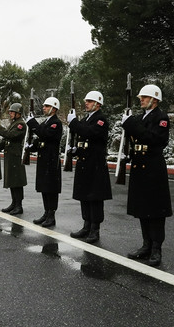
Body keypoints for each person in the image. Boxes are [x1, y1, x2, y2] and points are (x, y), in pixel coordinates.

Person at [121, 84, 172, 267]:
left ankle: (156, 249)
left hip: (153, 167)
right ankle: (146, 245)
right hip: (140, 166)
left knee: (156, 211)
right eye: (140, 97)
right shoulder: (140, 117)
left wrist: (131, 125)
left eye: (144, 97)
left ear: (155, 99)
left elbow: (154, 139)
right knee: (143, 208)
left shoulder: (161, 118)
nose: (141, 100)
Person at [67, 91, 112, 243]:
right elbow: (84, 139)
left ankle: (95, 229)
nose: (86, 103)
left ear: (98, 104)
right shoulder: (87, 118)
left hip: (95, 165)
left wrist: (73, 123)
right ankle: (86, 225)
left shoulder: (100, 120)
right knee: (84, 196)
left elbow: (89, 133)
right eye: (86, 100)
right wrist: (76, 150)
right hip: (85, 163)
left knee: (95, 198)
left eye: (89, 101)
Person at [26, 97, 63, 227]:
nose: (44, 108)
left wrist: (32, 123)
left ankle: (51, 215)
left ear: (53, 108)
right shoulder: (46, 122)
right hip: (44, 160)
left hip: (51, 161)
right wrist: (31, 147)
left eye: (47, 106)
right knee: (44, 188)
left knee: (51, 189)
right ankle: (46, 212)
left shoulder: (55, 123)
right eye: (44, 106)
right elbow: (40, 139)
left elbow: (45, 134)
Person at [0, 103, 27, 215]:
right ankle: (14, 203)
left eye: (13, 112)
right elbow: (7, 139)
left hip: (16, 155)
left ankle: (19, 205)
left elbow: (10, 135)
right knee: (12, 180)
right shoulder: (14, 123)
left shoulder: (21, 124)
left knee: (17, 181)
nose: (11, 114)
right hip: (10, 155)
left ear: (18, 113)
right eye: (10, 112)